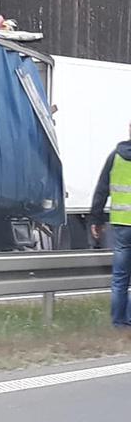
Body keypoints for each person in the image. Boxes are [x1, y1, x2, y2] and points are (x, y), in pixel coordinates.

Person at [91, 127, 131, 328]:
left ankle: (118, 323)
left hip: (122, 225)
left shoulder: (115, 156)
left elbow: (101, 190)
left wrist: (96, 220)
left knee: (120, 277)